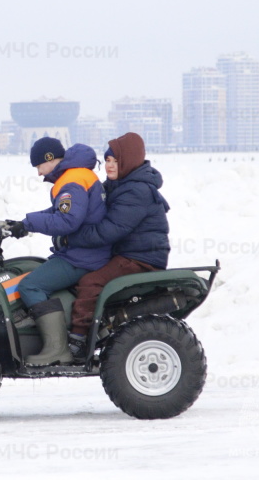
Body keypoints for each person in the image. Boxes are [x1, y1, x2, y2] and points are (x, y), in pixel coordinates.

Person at [63, 132, 170, 359]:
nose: (110, 166)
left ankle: (79, 339)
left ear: (128, 160)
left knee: (90, 281)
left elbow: (109, 230)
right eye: (108, 160)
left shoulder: (136, 191)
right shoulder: (119, 184)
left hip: (141, 258)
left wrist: (69, 237)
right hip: (127, 252)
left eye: (116, 161)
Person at [5, 137, 111, 366]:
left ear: (49, 158)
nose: (38, 173)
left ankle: (57, 350)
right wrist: (25, 223)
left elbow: (67, 221)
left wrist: (30, 224)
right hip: (86, 251)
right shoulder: (77, 176)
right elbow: (59, 212)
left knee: (29, 285)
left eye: (38, 166)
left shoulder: (70, 182)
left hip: (83, 256)